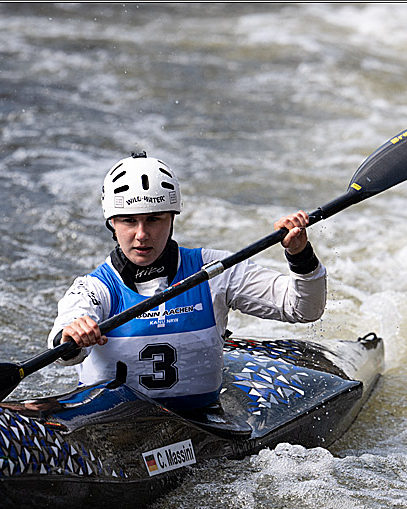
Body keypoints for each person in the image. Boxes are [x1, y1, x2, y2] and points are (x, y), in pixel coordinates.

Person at [48, 153, 326, 413]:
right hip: (117, 427)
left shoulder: (214, 270)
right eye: (129, 221)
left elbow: (302, 309)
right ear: (112, 223)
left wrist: (299, 253)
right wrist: (71, 337)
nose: (141, 234)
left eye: (154, 219)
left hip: (201, 420)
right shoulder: (93, 288)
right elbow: (63, 345)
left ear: (172, 218)